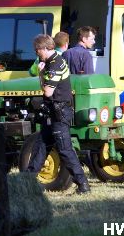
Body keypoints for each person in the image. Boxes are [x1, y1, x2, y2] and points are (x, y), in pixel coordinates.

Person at [26, 34, 91, 194]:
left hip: (59, 112)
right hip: (54, 111)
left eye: (37, 50)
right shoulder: (54, 61)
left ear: (44, 48)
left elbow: (48, 92)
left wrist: (40, 74)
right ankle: (26, 181)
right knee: (41, 146)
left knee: (65, 149)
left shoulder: (55, 65)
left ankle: (83, 184)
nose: (36, 54)